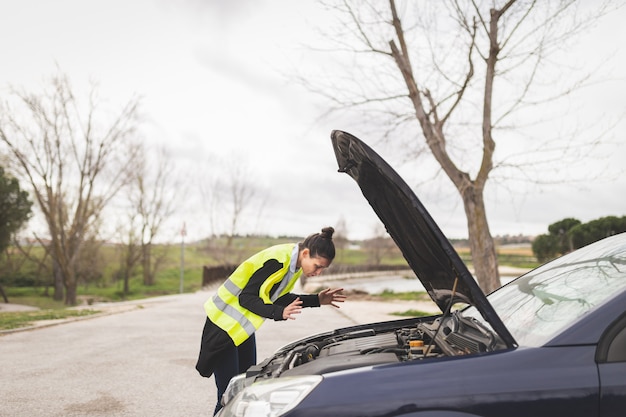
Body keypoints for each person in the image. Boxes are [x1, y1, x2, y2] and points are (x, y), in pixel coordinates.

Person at [195, 226, 346, 415]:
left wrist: (316, 300)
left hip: (241, 330)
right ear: (306, 253)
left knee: (246, 389)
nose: (318, 272)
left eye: (323, 269)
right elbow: (247, 298)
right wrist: (278, 313)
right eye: (318, 266)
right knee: (229, 395)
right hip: (223, 328)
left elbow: (275, 297)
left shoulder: (293, 266)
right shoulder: (278, 261)